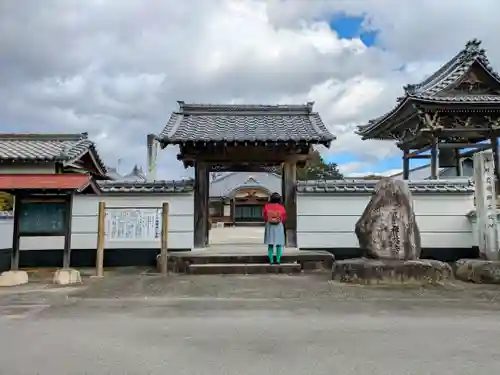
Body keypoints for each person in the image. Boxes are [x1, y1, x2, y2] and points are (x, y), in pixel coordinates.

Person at [263, 192, 286, 264]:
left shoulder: (266, 206)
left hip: (269, 225)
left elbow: (264, 216)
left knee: (270, 243)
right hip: (279, 225)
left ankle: (271, 260)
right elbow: (284, 217)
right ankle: (278, 260)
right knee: (279, 243)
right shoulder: (281, 207)